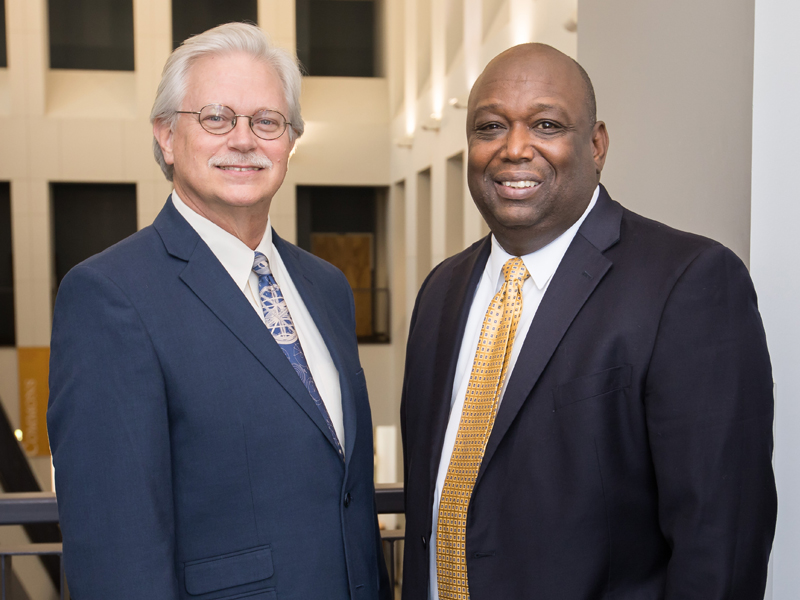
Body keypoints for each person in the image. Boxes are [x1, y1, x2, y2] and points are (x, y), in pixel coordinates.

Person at [401, 43, 776, 600]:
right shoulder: (440, 292)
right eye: (490, 127)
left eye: (546, 124)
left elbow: (720, 541)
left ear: (596, 145)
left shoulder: (688, 282)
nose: (514, 148)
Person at [48, 22, 389, 600]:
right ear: (165, 136)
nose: (244, 140)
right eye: (216, 118)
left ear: (289, 141)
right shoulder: (108, 295)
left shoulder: (326, 285)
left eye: (267, 121)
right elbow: (114, 552)